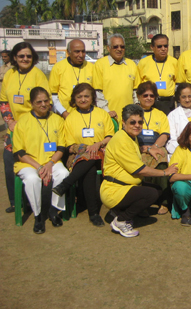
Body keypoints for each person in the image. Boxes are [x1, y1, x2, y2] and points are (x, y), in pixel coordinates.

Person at [100, 104, 178, 238]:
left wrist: (148, 148)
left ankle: (120, 210)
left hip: (125, 186)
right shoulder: (121, 139)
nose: (137, 125)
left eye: (140, 122)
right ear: (123, 123)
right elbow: (140, 170)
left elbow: (136, 150)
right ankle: (121, 220)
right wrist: (165, 172)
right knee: (151, 194)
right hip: (114, 190)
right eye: (132, 122)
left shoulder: (131, 137)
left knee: (157, 189)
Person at [52, 83, 115, 227]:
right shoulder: (70, 118)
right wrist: (88, 148)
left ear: (92, 98)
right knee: (90, 167)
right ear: (74, 99)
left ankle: (65, 185)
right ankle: (93, 213)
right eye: (79, 97)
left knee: (93, 157)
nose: (83, 99)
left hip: (102, 153)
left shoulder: (102, 114)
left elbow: (110, 136)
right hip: (78, 156)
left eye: (87, 96)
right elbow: (69, 145)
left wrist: (97, 144)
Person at [0, 42, 50, 214]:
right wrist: (9, 121)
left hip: (34, 128)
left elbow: (44, 103)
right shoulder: (9, 75)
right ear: (14, 57)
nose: (25, 59)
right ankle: (15, 201)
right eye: (21, 56)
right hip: (14, 128)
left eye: (28, 56)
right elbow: (3, 101)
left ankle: (34, 201)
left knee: (33, 162)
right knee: (8, 160)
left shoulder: (38, 75)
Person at [13, 87, 69, 234]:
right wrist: (39, 167)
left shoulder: (57, 120)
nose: (43, 104)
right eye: (39, 102)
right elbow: (19, 152)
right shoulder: (23, 121)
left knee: (63, 173)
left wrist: (50, 164)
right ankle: (38, 216)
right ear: (31, 103)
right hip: (29, 163)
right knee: (32, 179)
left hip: (52, 161)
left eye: (46, 101)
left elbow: (61, 148)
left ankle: (53, 210)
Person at [136, 81, 171, 215]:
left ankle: (163, 201)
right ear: (138, 96)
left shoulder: (160, 114)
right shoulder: (133, 112)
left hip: (157, 145)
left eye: (152, 95)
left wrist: (155, 147)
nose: (149, 98)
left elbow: (164, 134)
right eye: (145, 95)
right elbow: (128, 136)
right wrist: (147, 149)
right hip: (138, 146)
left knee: (162, 158)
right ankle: (143, 202)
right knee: (139, 160)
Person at [93, 33, 140, 123]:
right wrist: (107, 111)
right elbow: (97, 92)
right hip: (108, 116)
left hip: (129, 117)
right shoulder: (100, 65)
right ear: (108, 48)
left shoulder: (132, 65)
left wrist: (135, 109)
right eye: (115, 47)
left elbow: (136, 91)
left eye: (122, 47)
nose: (119, 49)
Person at [49, 39, 94, 119]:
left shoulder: (92, 68)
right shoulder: (58, 68)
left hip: (87, 116)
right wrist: (63, 112)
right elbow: (53, 96)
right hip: (64, 116)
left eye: (83, 51)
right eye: (77, 51)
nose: (81, 55)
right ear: (68, 52)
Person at [137, 34, 177, 115]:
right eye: (159, 46)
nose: (163, 49)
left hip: (168, 104)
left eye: (165, 46)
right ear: (152, 47)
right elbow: (138, 86)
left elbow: (177, 83)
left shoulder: (174, 62)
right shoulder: (143, 63)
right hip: (150, 103)